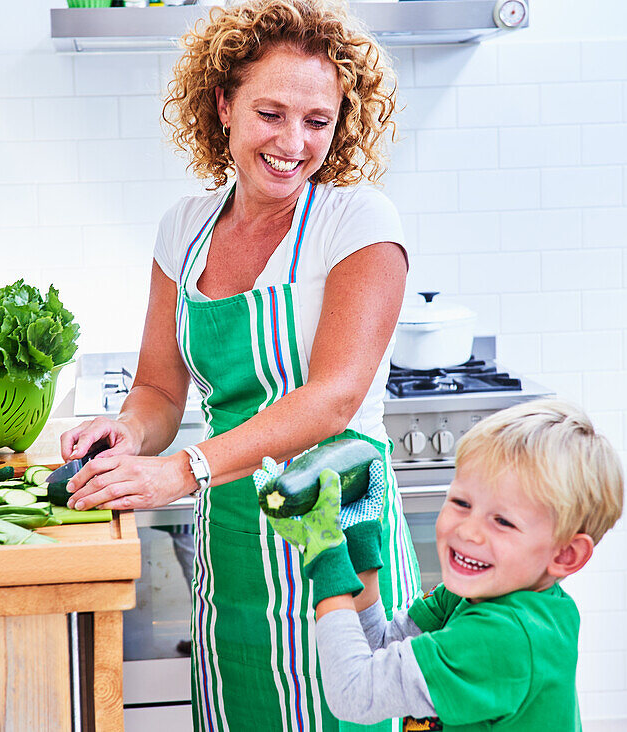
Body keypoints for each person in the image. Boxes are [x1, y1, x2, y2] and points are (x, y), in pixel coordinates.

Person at [59, 0, 421, 728]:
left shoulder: (359, 220)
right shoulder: (185, 228)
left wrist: (181, 468)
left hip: (343, 537)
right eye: (271, 113)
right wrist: (129, 433)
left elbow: (332, 400)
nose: (294, 142)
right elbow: (160, 387)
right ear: (223, 105)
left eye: (318, 121)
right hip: (231, 542)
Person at [264, 399, 624, 731]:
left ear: (565, 555)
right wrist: (358, 540)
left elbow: (354, 692)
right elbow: (381, 647)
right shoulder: (486, 596)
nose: (468, 531)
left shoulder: (500, 639)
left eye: (503, 521)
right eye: (461, 502)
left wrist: (326, 559)